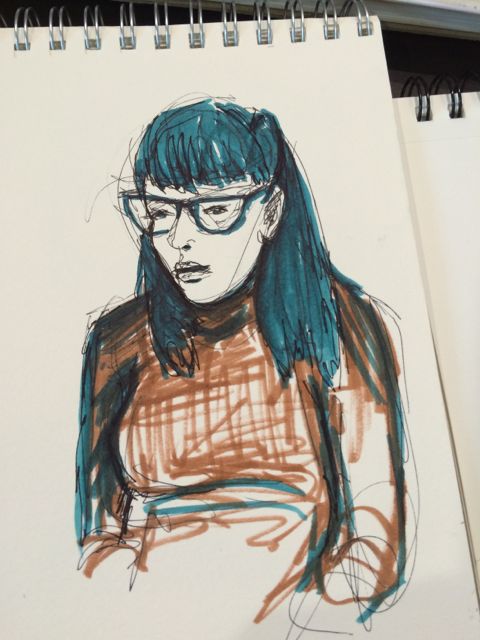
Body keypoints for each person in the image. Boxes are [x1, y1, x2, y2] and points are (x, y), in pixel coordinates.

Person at [75, 97, 409, 627]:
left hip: (307, 622)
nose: (179, 239)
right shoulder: (118, 340)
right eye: (159, 212)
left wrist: (315, 624)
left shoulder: (336, 321)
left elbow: (372, 536)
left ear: (270, 211)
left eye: (214, 211)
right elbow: (96, 533)